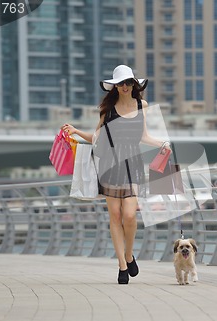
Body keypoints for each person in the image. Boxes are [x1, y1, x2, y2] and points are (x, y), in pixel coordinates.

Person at [62, 65, 170, 284]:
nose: (124, 87)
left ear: (134, 84)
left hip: (132, 163)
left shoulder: (142, 105)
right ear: (114, 86)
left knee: (130, 216)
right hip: (110, 164)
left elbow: (143, 136)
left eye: (128, 82)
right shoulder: (107, 108)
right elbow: (97, 138)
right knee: (116, 216)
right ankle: (122, 264)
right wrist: (76, 131)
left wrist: (163, 144)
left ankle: (129, 255)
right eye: (120, 83)